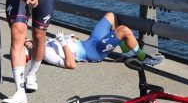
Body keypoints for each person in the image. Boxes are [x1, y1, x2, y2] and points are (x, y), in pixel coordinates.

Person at [34, 12, 165, 72]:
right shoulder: (45, 54)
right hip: (92, 52)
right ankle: (143, 58)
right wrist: (62, 42)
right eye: (27, 45)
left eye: (27, 41)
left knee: (111, 16)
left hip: (89, 42)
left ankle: (127, 52)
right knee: (123, 30)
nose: (28, 41)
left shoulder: (42, 44)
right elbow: (71, 64)